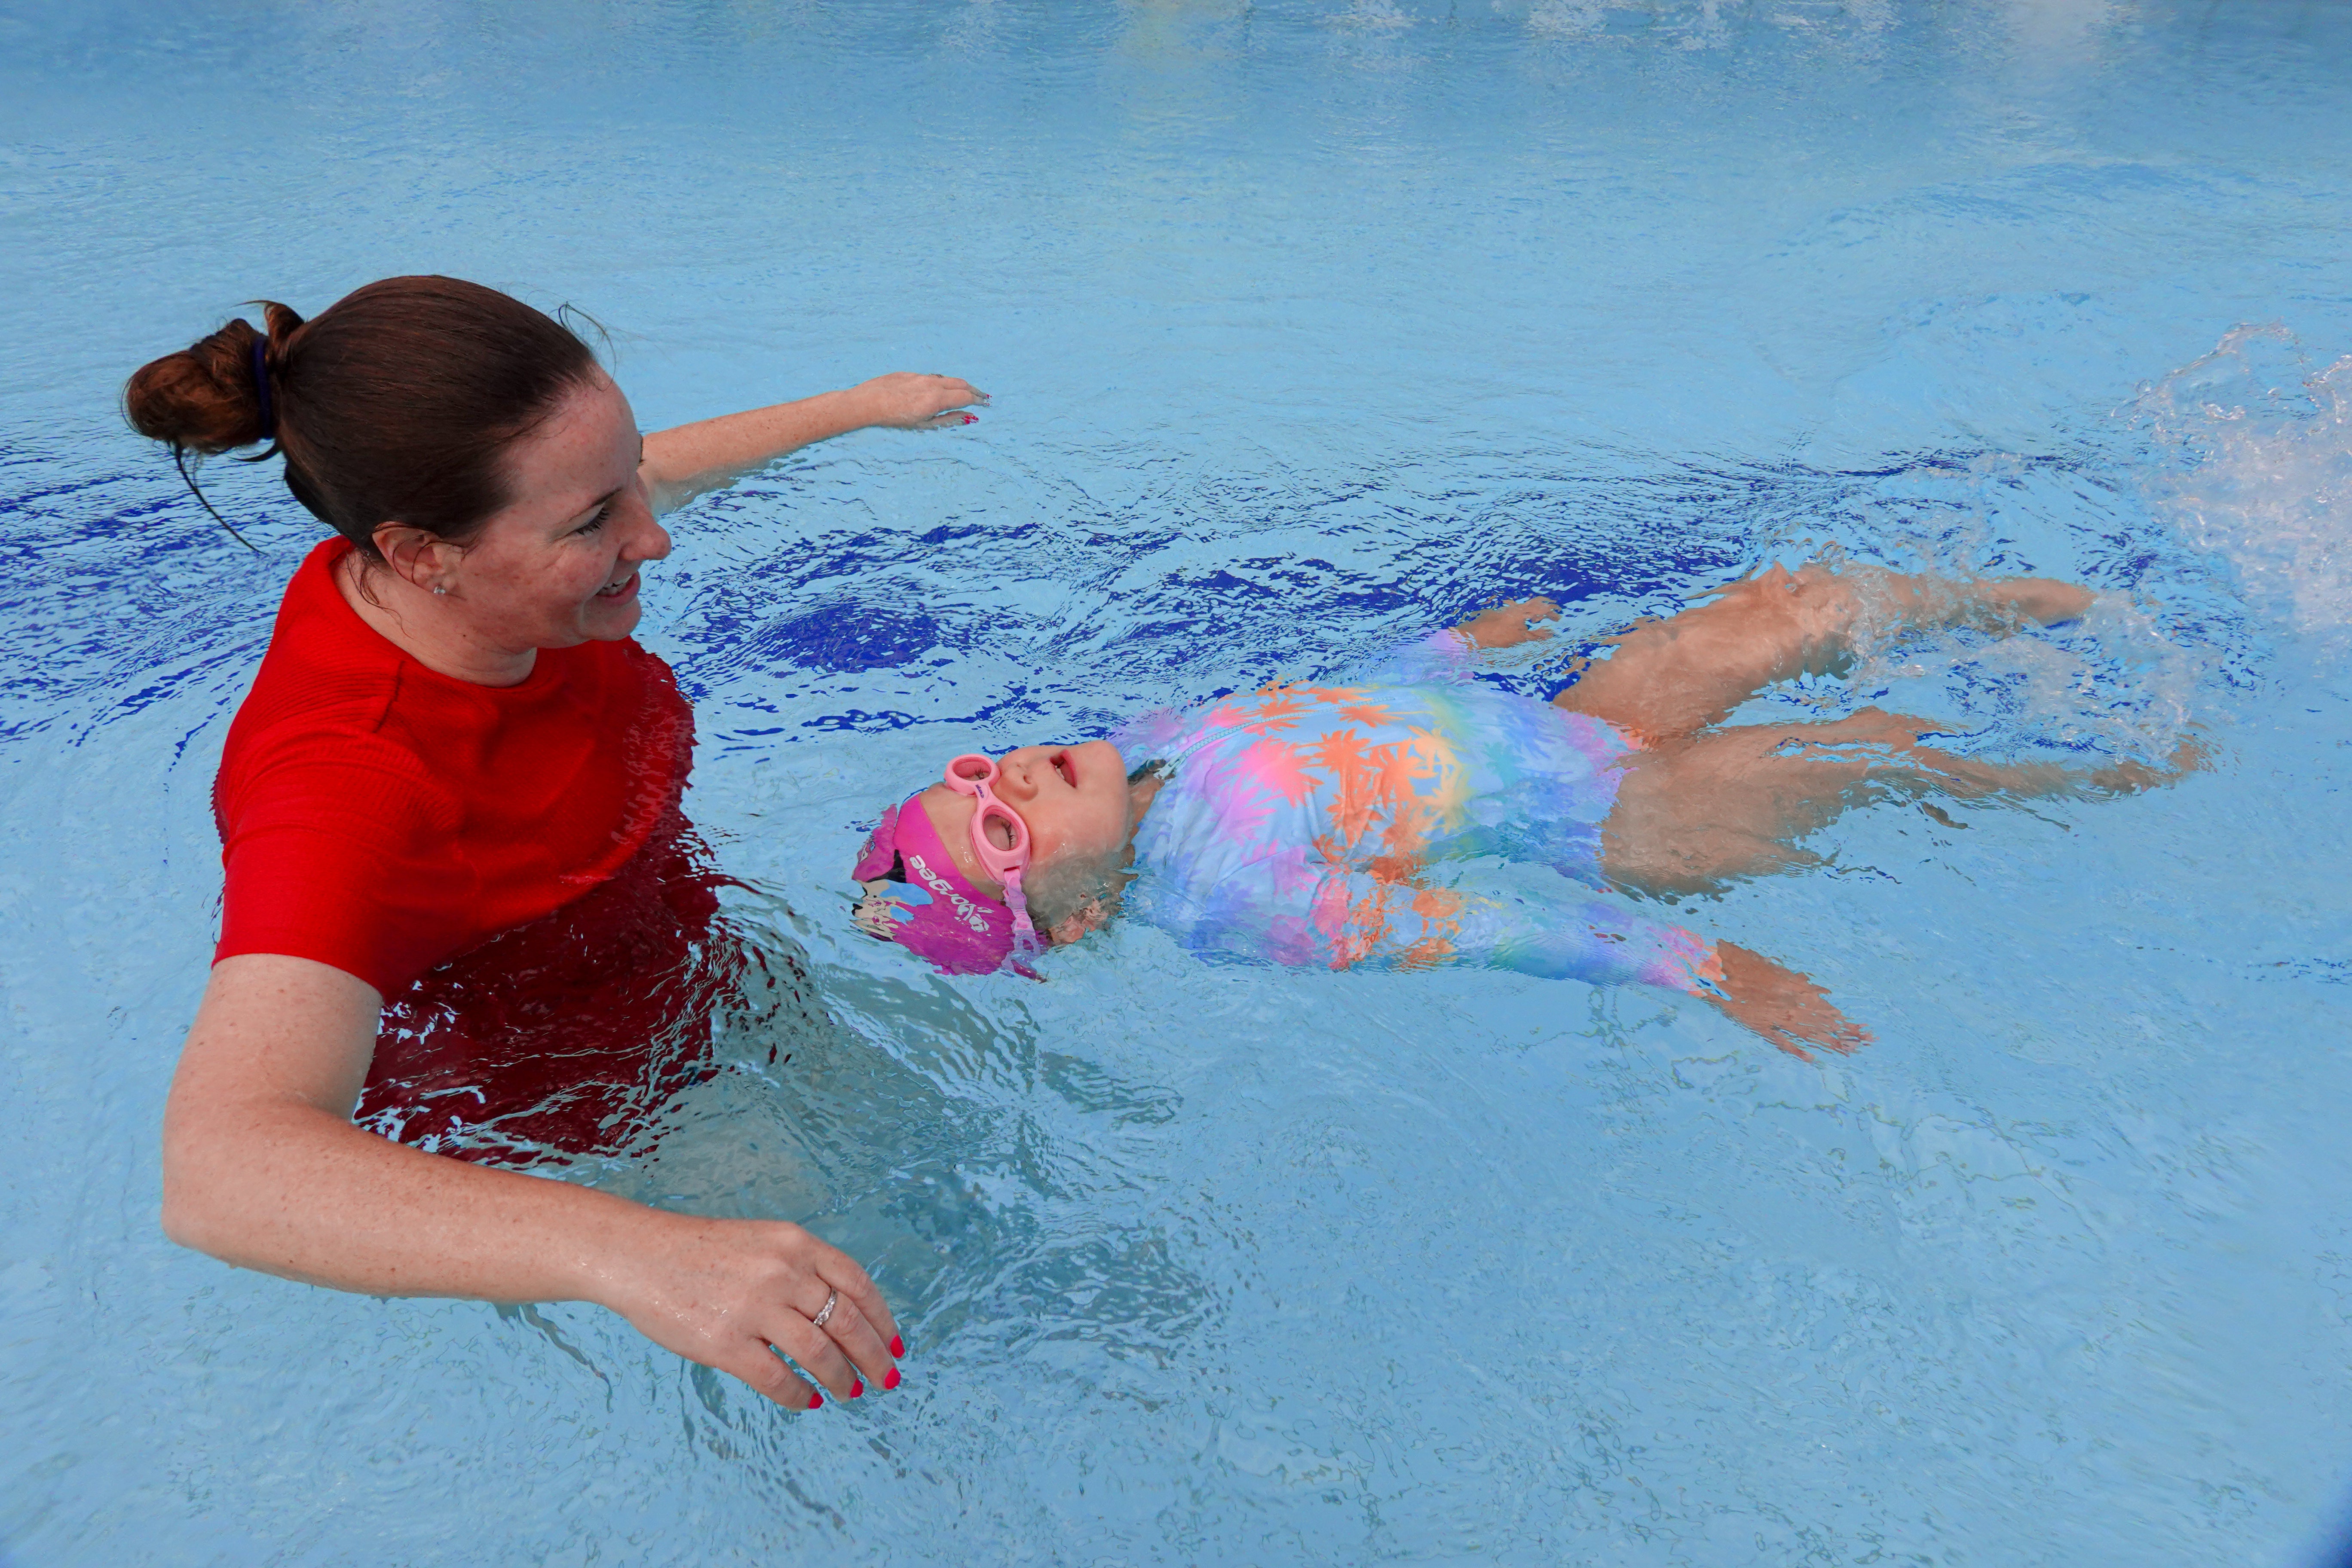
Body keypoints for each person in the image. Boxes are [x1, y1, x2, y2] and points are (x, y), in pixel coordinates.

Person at [126, 275, 974, 1412]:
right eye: (596, 523)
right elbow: (218, 1170)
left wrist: (858, 406)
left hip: (679, 962)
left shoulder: (488, 564)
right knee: (901, 1342)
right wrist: (630, 1252)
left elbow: (645, 473)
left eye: (627, 480)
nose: (653, 535)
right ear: (424, 552)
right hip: (596, 1111)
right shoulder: (348, 785)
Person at [850, 564, 2190, 1057]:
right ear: (1072, 923)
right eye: (1004, 833)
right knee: (1893, 753)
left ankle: (2077, 606)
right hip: (1632, 822)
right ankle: (2143, 767)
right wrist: (1703, 970)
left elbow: (1323, 724)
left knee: (1809, 605)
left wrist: (1446, 656)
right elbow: (1479, 928)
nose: (1008, 782)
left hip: (1580, 727)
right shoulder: (1238, 899)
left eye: (979, 779)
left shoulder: (1145, 753)